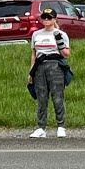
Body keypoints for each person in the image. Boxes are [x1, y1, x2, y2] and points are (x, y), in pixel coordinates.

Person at [28, 8, 70, 138]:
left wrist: (59, 43)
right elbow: (34, 54)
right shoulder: (36, 34)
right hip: (40, 66)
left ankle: (61, 126)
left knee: (57, 97)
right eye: (44, 18)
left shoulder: (61, 34)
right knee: (41, 98)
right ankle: (41, 128)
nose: (46, 20)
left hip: (55, 65)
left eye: (49, 18)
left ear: (54, 19)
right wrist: (31, 72)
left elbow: (67, 55)